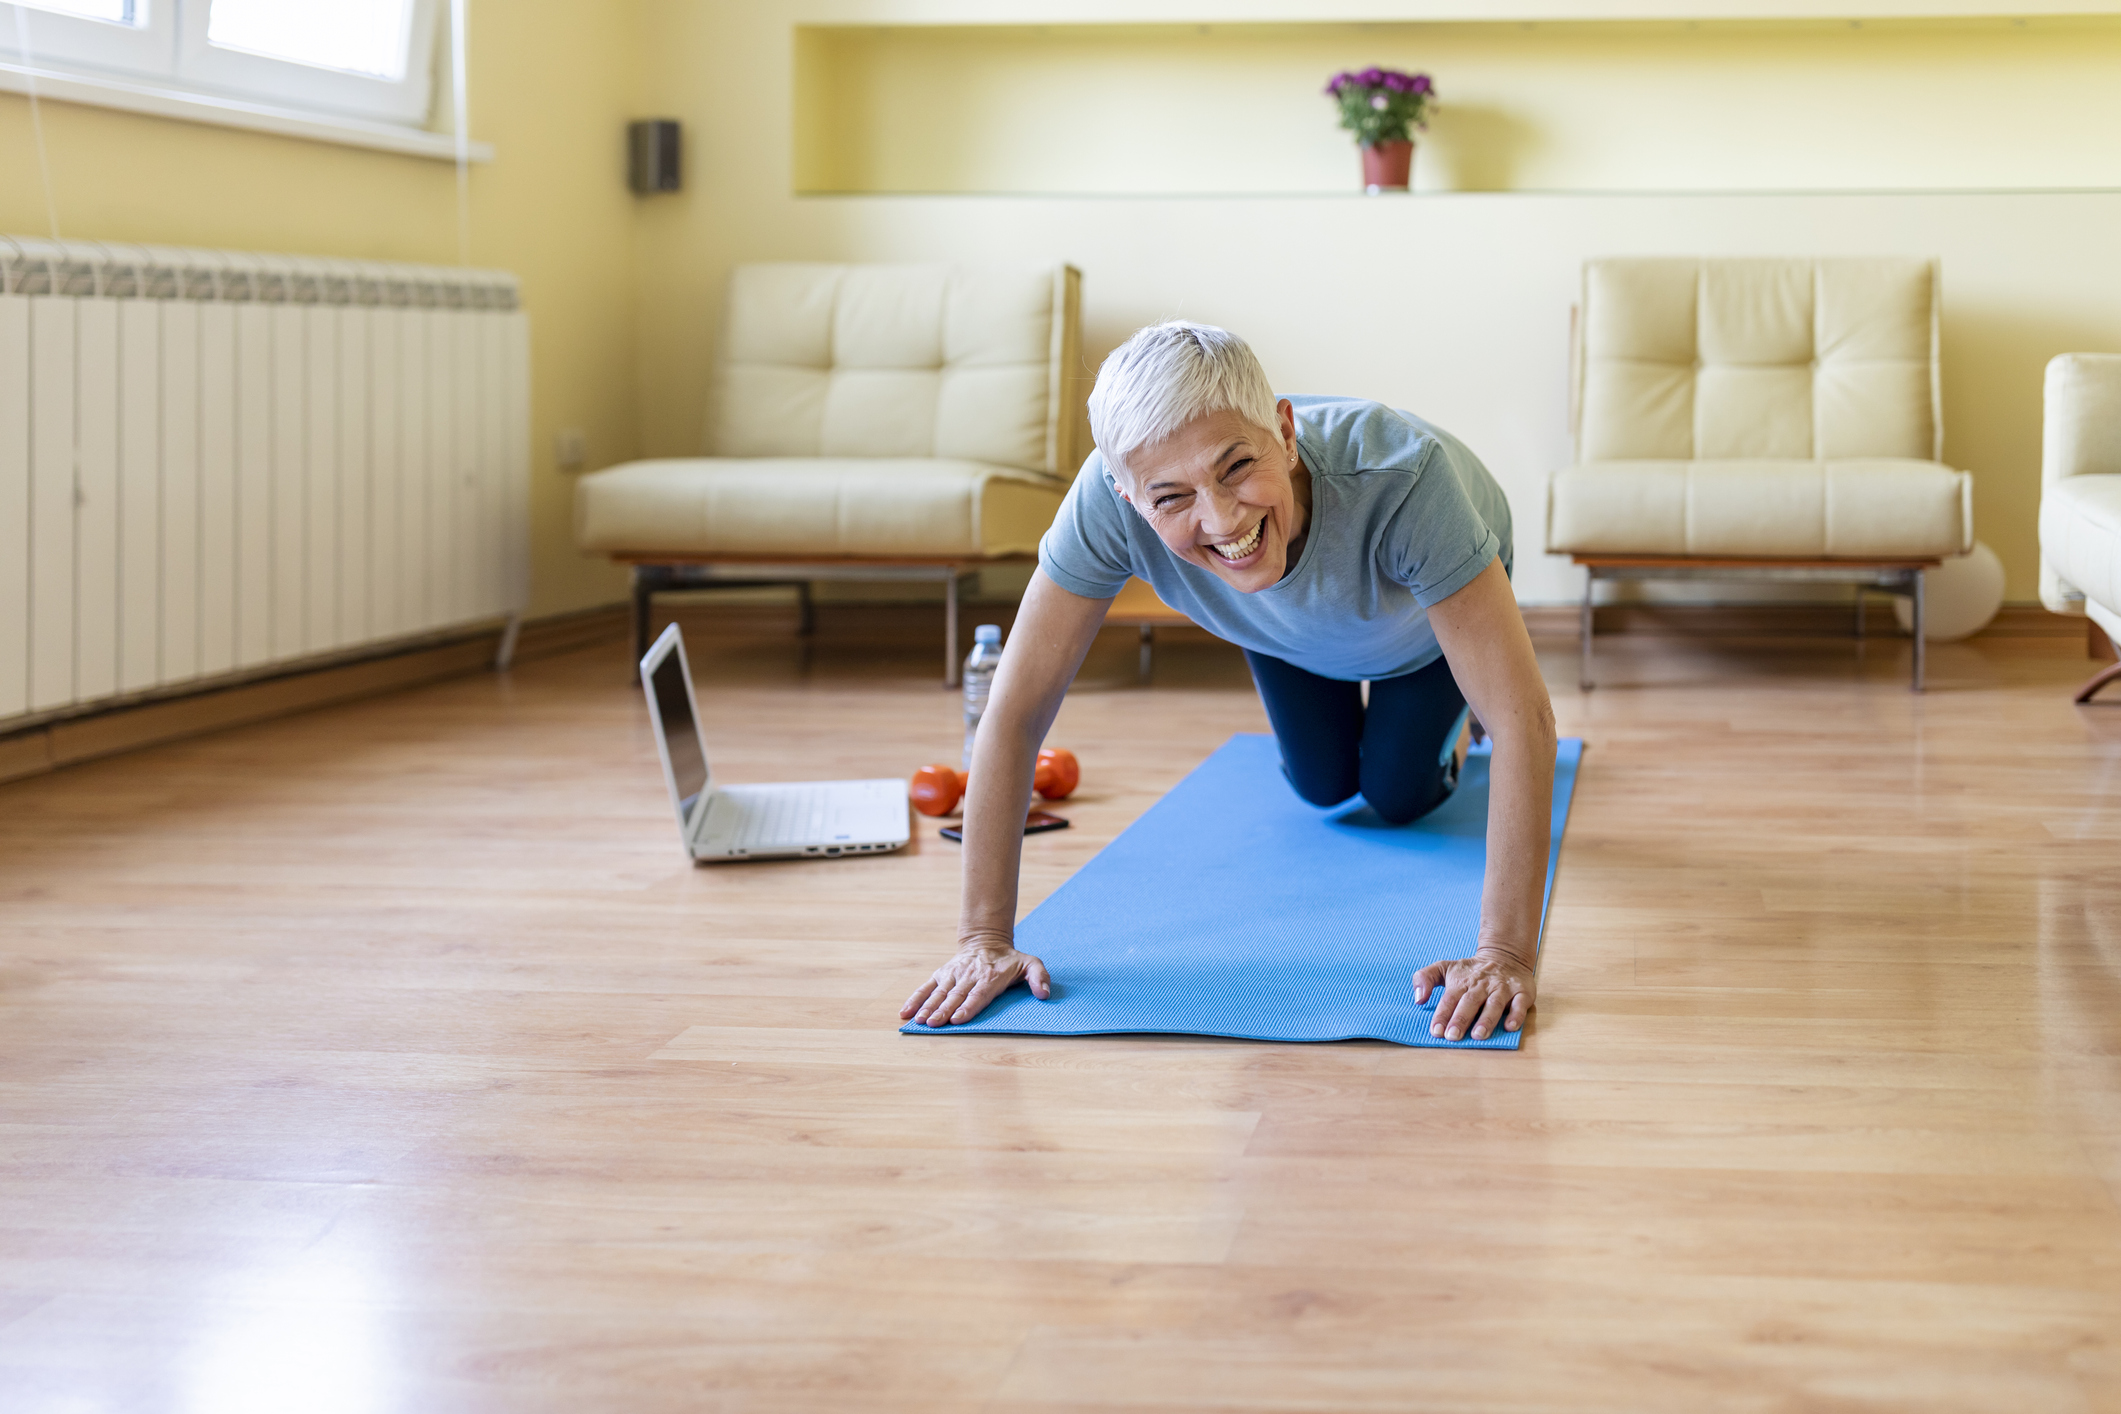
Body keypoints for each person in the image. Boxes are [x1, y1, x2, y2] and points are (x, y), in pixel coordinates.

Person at [900, 322, 1558, 1043]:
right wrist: (981, 939)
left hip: (1417, 633)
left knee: (1395, 797)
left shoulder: (1404, 480)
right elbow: (1016, 709)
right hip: (1277, 618)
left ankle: (1449, 723)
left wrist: (1503, 956)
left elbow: (1523, 717)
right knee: (1322, 786)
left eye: (1237, 465)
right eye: (1170, 498)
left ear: (1284, 431)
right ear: (1123, 493)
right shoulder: (1104, 507)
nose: (1220, 516)